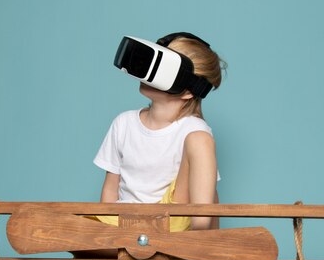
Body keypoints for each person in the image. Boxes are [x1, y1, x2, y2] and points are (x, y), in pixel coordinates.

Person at [92, 32, 226, 234]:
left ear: (188, 91)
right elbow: (110, 190)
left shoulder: (195, 131)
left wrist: (206, 236)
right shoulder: (124, 122)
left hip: (171, 220)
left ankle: (200, 241)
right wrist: (104, 228)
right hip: (124, 222)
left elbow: (209, 199)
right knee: (66, 225)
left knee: (199, 140)